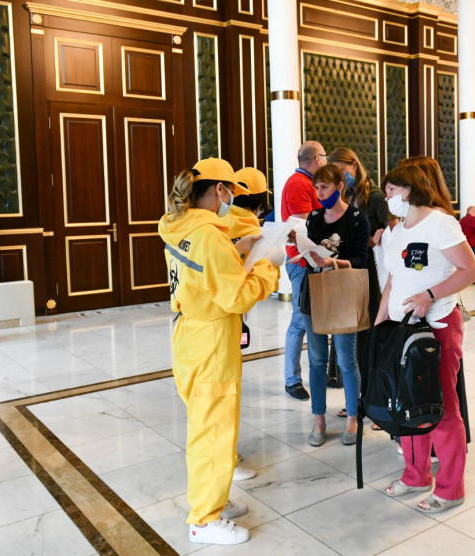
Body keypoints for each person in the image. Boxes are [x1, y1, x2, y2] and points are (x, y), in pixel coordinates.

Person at [158, 158, 284, 546]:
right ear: (219, 190)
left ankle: (215, 497)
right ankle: (204, 519)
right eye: (231, 191)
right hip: (212, 339)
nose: (233, 199)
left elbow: (205, 267)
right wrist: (268, 267)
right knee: (213, 431)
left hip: (190, 333)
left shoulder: (177, 224)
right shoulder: (209, 237)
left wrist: (235, 248)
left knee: (211, 424)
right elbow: (237, 297)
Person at [377, 165, 475, 514]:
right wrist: (380, 323)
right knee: (406, 402)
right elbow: (392, 280)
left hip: (437, 326)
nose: (387, 198)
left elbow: (471, 270)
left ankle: (451, 489)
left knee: (442, 406)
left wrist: (430, 295)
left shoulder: (440, 223)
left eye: (391, 190)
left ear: (409, 189)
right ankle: (416, 475)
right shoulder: (397, 230)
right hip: (401, 329)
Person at [303, 164, 370, 446]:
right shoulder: (314, 217)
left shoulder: (356, 218)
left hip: (343, 291)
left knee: (345, 359)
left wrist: (334, 262)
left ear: (340, 187)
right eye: (316, 188)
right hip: (314, 291)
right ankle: (319, 418)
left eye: (325, 188)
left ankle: (353, 416)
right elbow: (308, 252)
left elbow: (362, 260)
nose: (319, 193)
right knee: (317, 359)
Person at [327, 147, 396, 404]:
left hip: (369, 271)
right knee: (348, 336)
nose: (340, 176)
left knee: (368, 336)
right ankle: (354, 399)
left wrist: (374, 239)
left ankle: (372, 398)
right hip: (347, 270)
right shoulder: (345, 195)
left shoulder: (375, 196)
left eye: (341, 170)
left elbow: (393, 233)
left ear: (354, 166)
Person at [221, 166, 271, 481]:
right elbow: (247, 285)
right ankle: (226, 459)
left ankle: (225, 454)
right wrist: (268, 268)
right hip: (225, 319)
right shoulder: (249, 225)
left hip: (202, 321)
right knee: (227, 393)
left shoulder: (212, 224)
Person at [281, 141, 326, 400]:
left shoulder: (308, 182)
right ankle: (292, 380)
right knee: (300, 320)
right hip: (301, 262)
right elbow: (304, 226)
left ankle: (318, 372)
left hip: (312, 260)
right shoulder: (298, 183)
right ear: (317, 159)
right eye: (324, 157)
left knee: (313, 319)